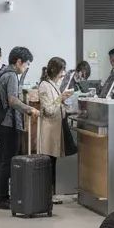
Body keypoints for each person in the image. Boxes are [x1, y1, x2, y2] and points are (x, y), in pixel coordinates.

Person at [0, 46, 38, 210]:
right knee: (7, 161)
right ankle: (2, 198)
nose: (26, 67)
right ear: (18, 62)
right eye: (26, 64)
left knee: (3, 160)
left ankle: (0, 196)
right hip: (8, 123)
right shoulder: (11, 75)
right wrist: (29, 109)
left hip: (1, 123)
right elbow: (12, 100)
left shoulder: (3, 73)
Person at [36, 57, 74, 199]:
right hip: (49, 130)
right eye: (62, 70)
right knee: (49, 163)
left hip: (55, 129)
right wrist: (61, 98)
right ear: (55, 70)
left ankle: (49, 194)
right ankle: (47, 194)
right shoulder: (45, 86)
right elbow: (49, 110)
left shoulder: (53, 84)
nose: (63, 74)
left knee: (53, 162)